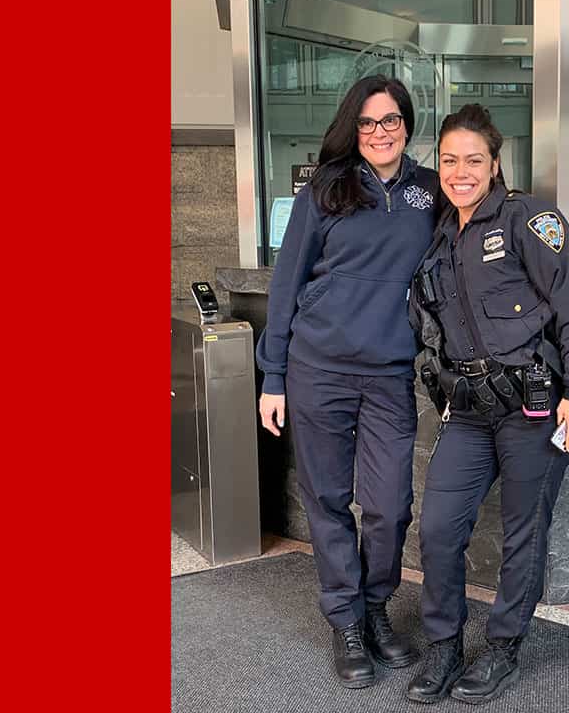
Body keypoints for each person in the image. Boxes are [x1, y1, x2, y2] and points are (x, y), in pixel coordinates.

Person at [405, 104, 569, 705]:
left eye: (473, 160)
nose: (460, 171)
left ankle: (502, 650)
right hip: (467, 413)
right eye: (448, 160)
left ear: (495, 165)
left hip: (535, 410)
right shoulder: (439, 236)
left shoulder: (528, 219)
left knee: (524, 534)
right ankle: (443, 646)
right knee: (440, 529)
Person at [255, 75, 439, 689]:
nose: (379, 132)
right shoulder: (325, 190)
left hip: (388, 373)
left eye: (390, 120)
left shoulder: (429, 192)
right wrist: (273, 375)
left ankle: (377, 607)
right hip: (319, 369)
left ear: (407, 125)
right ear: (351, 128)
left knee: (388, 506)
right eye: (367, 122)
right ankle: (346, 619)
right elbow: (287, 285)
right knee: (329, 499)